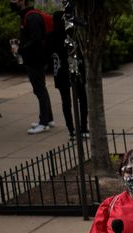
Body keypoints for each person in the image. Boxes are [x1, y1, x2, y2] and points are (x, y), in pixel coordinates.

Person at [10, 0, 53, 135]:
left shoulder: (31, 17)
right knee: (41, 89)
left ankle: (44, 122)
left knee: (39, 90)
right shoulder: (28, 16)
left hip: (35, 60)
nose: (13, 2)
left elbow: (36, 39)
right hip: (35, 59)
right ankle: (48, 119)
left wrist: (21, 50)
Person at [49, 10, 87, 139]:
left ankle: (72, 129)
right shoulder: (72, 35)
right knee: (81, 98)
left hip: (61, 70)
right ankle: (82, 127)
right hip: (72, 67)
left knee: (67, 101)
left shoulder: (53, 36)